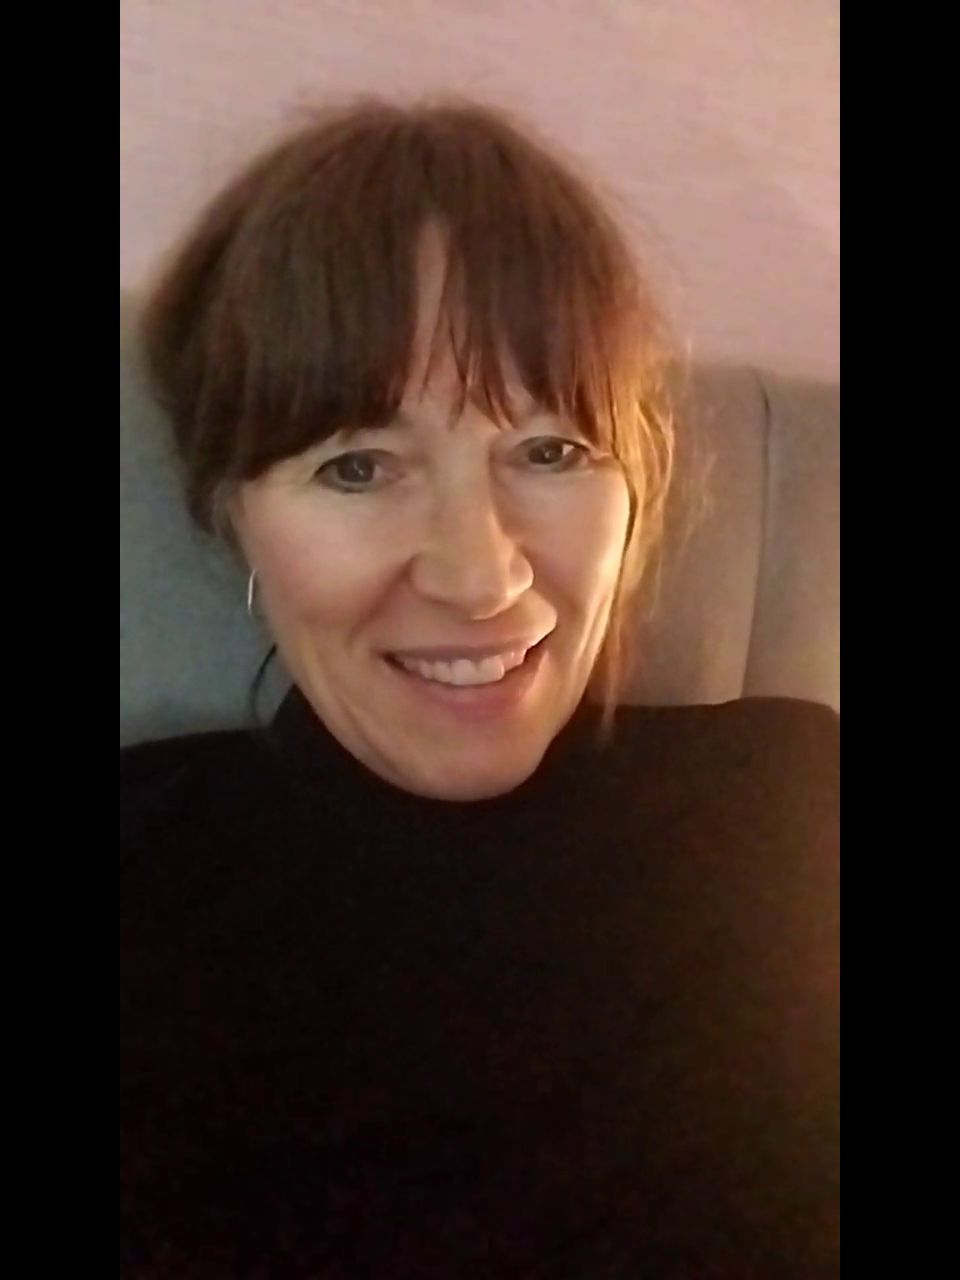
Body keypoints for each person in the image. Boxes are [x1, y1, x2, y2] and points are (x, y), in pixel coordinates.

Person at [121, 99, 839, 1277]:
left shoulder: (798, 810)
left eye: (551, 451)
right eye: (358, 466)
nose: (481, 575)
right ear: (233, 513)